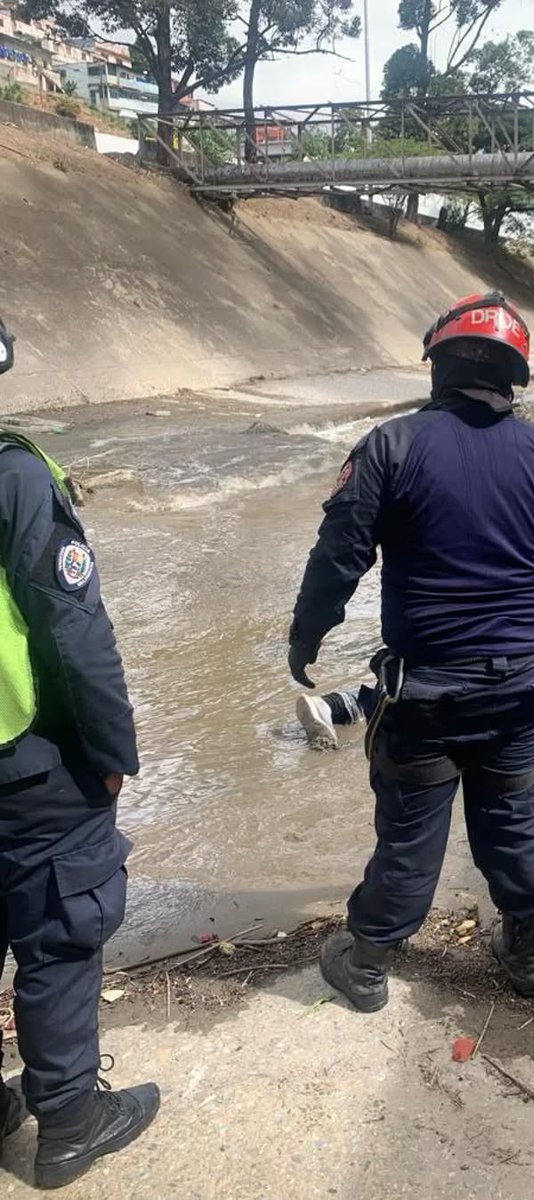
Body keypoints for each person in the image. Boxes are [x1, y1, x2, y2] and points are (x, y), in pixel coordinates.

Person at [288, 293, 534, 1011]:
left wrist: (307, 634)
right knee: (513, 819)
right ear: (512, 377)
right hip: (521, 690)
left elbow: (339, 553)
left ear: (437, 367)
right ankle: (525, 953)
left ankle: (366, 964)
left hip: (426, 694)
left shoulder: (389, 446)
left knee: (409, 834)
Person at [0, 315, 159, 1189]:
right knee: (61, 931)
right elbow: (74, 631)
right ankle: (68, 1122)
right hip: (23, 762)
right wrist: (111, 754)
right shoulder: (16, 478)